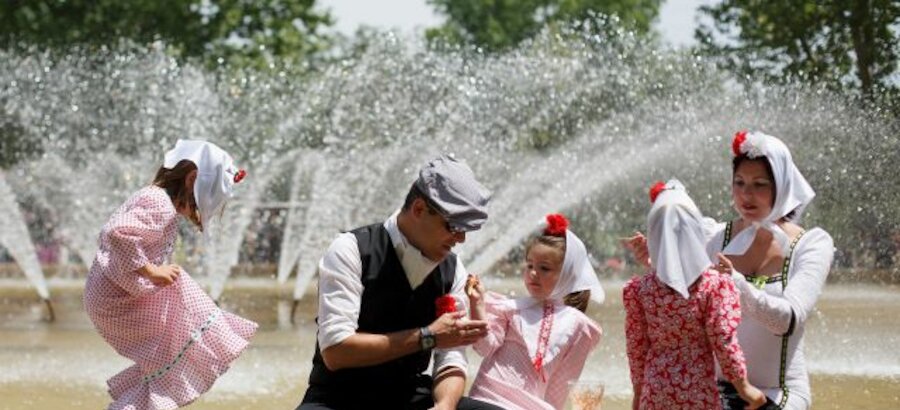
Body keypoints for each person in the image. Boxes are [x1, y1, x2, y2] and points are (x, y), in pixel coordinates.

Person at [625, 131, 835, 409]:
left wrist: (735, 283)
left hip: (777, 392)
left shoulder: (810, 244)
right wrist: (658, 264)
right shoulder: (713, 235)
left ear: (782, 186)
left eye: (759, 184)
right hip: (711, 386)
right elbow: (684, 301)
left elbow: (787, 321)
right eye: (740, 183)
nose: (747, 195)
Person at [297, 155, 501, 410]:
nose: (460, 239)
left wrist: (444, 406)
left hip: (409, 395)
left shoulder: (454, 269)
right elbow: (336, 351)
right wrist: (427, 337)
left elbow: (451, 357)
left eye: (465, 229)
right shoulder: (351, 249)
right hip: (338, 397)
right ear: (418, 209)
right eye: (452, 226)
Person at [83, 140, 257, 410]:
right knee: (179, 303)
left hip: (114, 296)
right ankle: (214, 340)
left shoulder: (158, 200)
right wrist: (151, 270)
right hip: (117, 301)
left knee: (164, 366)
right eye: (199, 203)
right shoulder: (160, 203)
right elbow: (117, 232)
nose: (197, 213)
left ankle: (145, 403)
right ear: (192, 179)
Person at [623, 180, 765, 410]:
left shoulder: (640, 290)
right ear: (697, 233)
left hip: (654, 392)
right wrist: (744, 388)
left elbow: (636, 348)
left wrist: (638, 395)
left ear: (654, 237)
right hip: (697, 392)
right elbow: (723, 341)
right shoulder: (714, 286)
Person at [465, 213, 604, 410]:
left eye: (544, 268)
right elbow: (484, 348)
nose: (532, 273)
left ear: (567, 274)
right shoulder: (510, 308)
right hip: (487, 398)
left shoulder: (579, 326)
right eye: (529, 265)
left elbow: (561, 386)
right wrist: (477, 304)